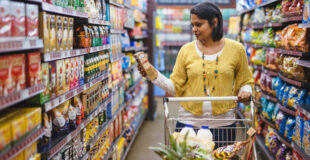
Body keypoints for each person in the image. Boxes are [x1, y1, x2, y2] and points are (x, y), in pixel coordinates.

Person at [138, 2, 254, 148]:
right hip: (189, 124)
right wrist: (153, 75)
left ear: (214, 22)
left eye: (199, 24)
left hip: (223, 123)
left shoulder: (237, 49)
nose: (194, 29)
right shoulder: (186, 50)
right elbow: (175, 87)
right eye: (192, 25)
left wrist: (245, 90)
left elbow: (246, 80)